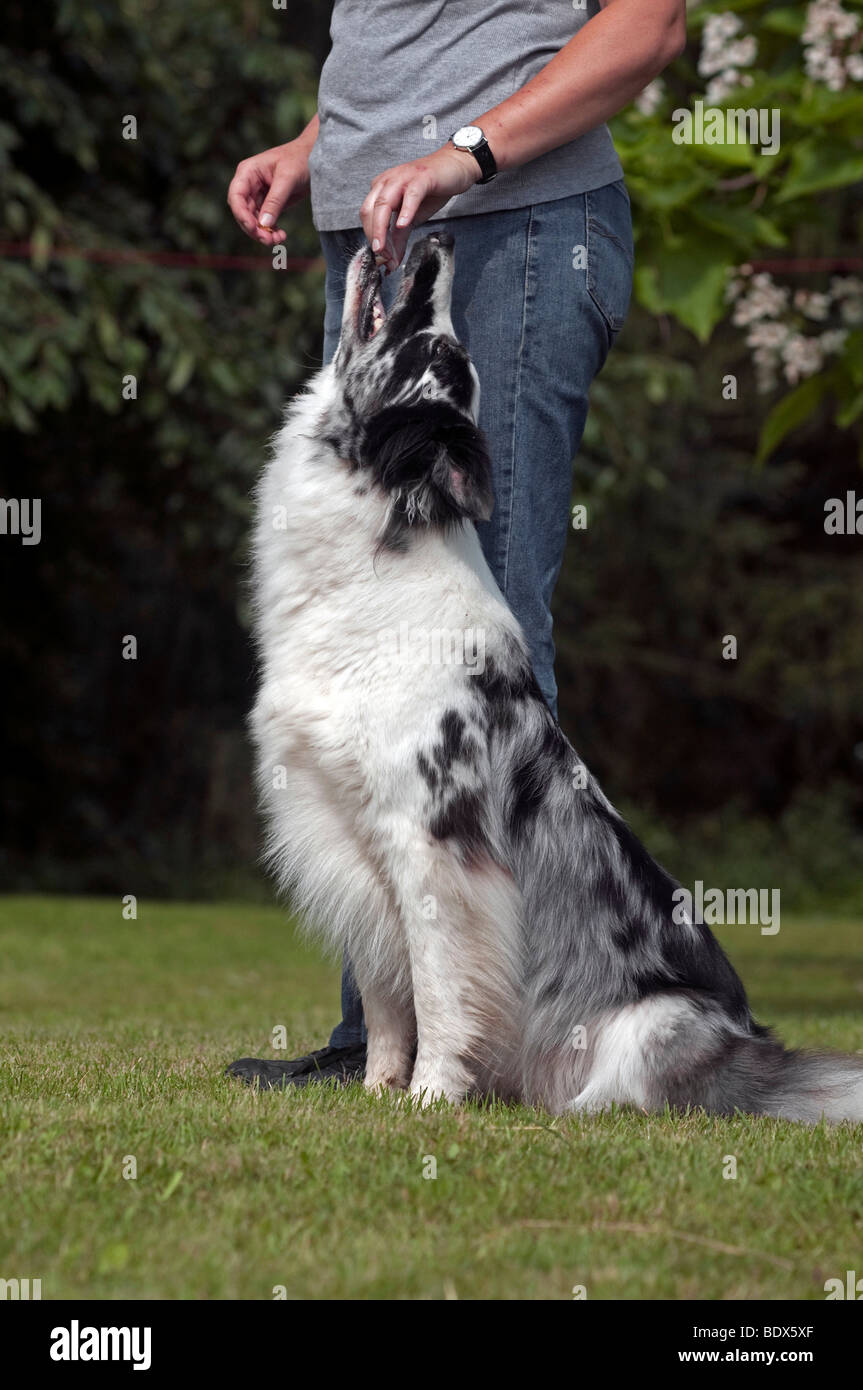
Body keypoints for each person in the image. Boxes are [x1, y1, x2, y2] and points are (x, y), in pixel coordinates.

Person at [226, 0, 687, 1090]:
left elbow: (646, 26)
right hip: (380, 216)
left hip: (513, 221)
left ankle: (501, 1046)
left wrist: (463, 152)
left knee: (478, 655)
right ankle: (385, 1046)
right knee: (364, 684)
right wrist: (321, 142)